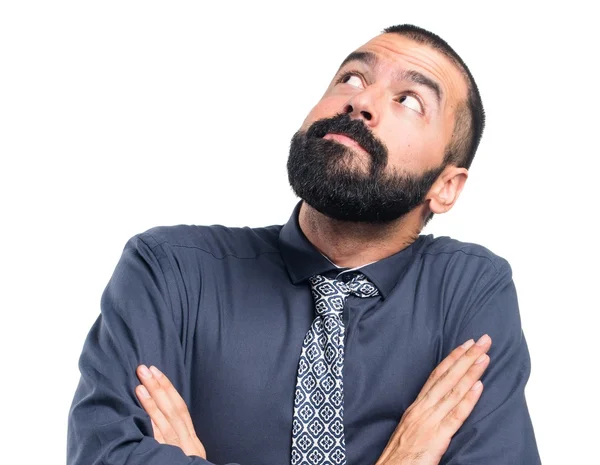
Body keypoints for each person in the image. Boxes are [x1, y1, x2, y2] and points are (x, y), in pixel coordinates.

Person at [67, 24, 541, 465]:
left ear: (446, 186)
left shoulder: (468, 290)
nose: (361, 103)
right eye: (352, 78)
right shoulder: (169, 271)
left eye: (411, 101)